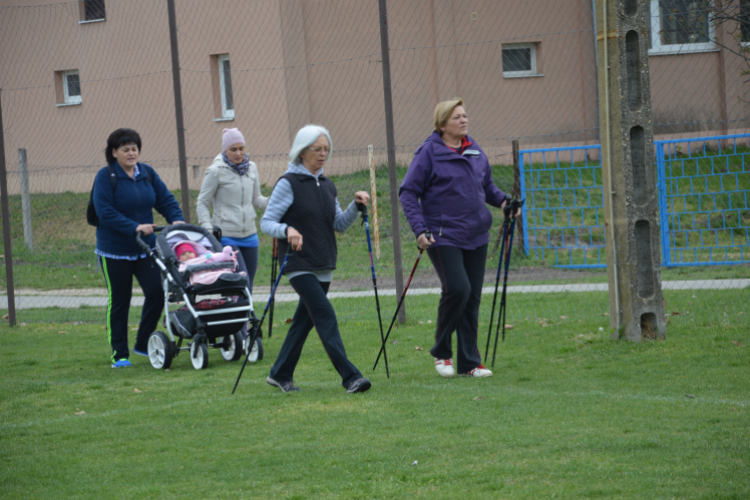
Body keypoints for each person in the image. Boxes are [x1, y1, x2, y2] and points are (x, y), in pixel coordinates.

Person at [399, 98, 521, 379]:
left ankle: (469, 363)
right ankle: (442, 352)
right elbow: (408, 192)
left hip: (477, 234)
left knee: (472, 297)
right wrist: (419, 230)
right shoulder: (429, 152)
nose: (464, 120)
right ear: (442, 124)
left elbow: (487, 186)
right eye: (457, 117)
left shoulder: (474, 150)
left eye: (465, 116)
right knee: (458, 289)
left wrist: (504, 202)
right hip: (442, 235)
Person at [260, 124, 372, 394]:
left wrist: (355, 207)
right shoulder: (289, 183)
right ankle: (351, 377)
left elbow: (338, 224)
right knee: (324, 314)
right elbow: (267, 222)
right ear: (302, 151)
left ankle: (280, 373)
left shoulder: (327, 184)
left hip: (323, 262)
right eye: (317, 149)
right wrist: (287, 230)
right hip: (299, 264)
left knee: (303, 321)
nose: (323, 154)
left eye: (326, 149)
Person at [93, 128, 184, 368]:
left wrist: (176, 219)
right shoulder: (106, 176)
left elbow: (165, 199)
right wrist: (134, 226)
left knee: (157, 291)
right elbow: (104, 212)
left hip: (146, 248)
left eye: (134, 148)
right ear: (114, 152)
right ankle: (120, 355)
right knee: (120, 301)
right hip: (114, 250)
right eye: (125, 149)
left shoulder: (147, 173)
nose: (131, 153)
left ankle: (144, 343)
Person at [197, 128, 268, 295]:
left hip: (250, 236)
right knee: (240, 285)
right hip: (227, 236)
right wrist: (207, 228)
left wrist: (276, 201)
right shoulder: (216, 171)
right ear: (225, 151)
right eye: (233, 149)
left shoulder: (252, 168)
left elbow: (257, 199)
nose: (238, 153)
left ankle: (243, 321)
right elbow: (202, 202)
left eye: (241, 148)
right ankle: (240, 321)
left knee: (248, 288)